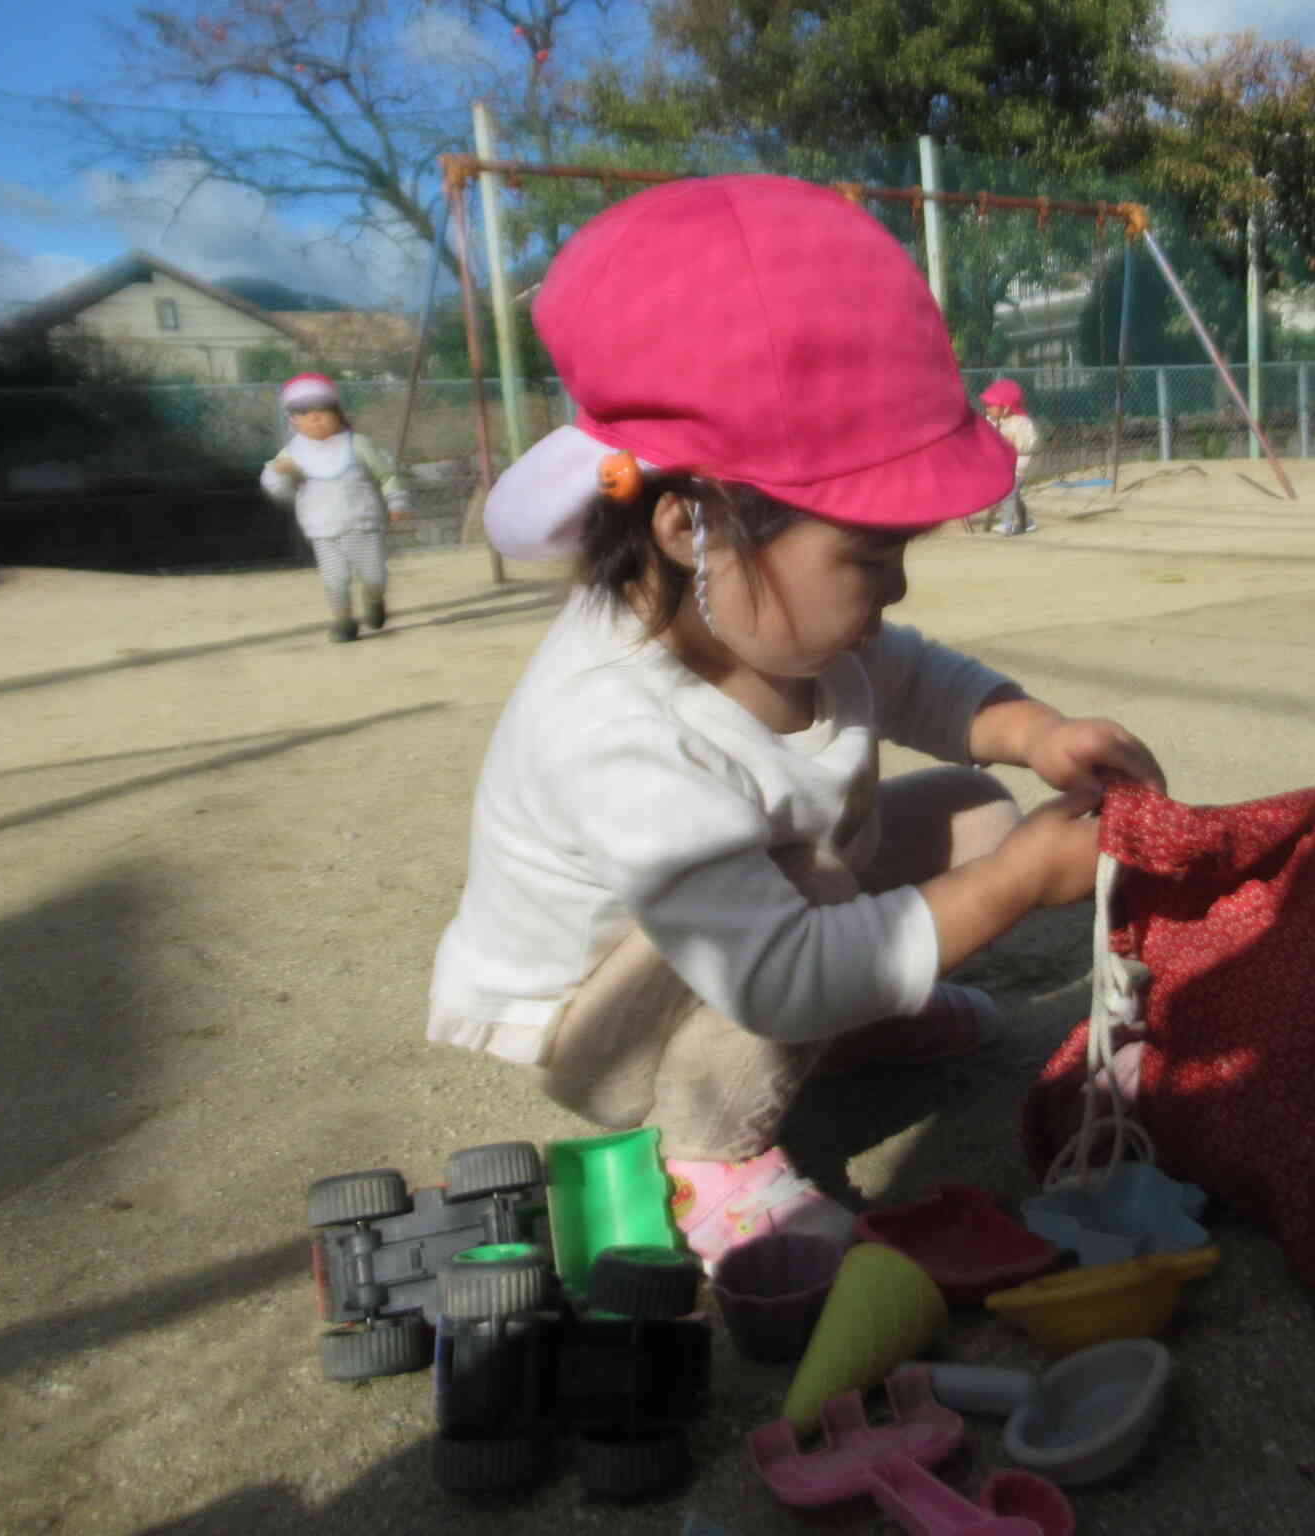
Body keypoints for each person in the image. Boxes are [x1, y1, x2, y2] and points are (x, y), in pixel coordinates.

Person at [424, 175, 1165, 1269]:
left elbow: (910, 678)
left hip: (745, 926)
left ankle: (850, 1029)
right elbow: (772, 973)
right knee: (835, 901)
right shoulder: (613, 727)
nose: (896, 592)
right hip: (607, 1022)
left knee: (972, 808)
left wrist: (1031, 731)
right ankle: (709, 1154)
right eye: (871, 557)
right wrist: (1008, 890)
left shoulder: (764, 620)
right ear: (691, 528)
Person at [261, 373, 410, 642]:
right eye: (305, 413)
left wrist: (396, 501)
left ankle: (374, 600)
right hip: (323, 530)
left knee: (374, 575)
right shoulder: (292, 454)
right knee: (335, 580)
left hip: (362, 525)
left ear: (338, 414)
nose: (315, 418)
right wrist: (282, 475)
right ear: (294, 420)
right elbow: (277, 488)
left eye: (322, 411)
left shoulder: (358, 445)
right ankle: (344, 622)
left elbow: (386, 475)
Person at [976, 378, 1040, 535]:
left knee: (1009, 493)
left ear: (1006, 407)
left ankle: (1008, 525)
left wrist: (1015, 442)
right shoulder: (991, 421)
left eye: (991, 405)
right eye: (987, 405)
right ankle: (1028, 522)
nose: (988, 408)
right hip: (1000, 465)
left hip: (1019, 466)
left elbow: (1030, 443)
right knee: (1013, 494)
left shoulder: (1021, 423)